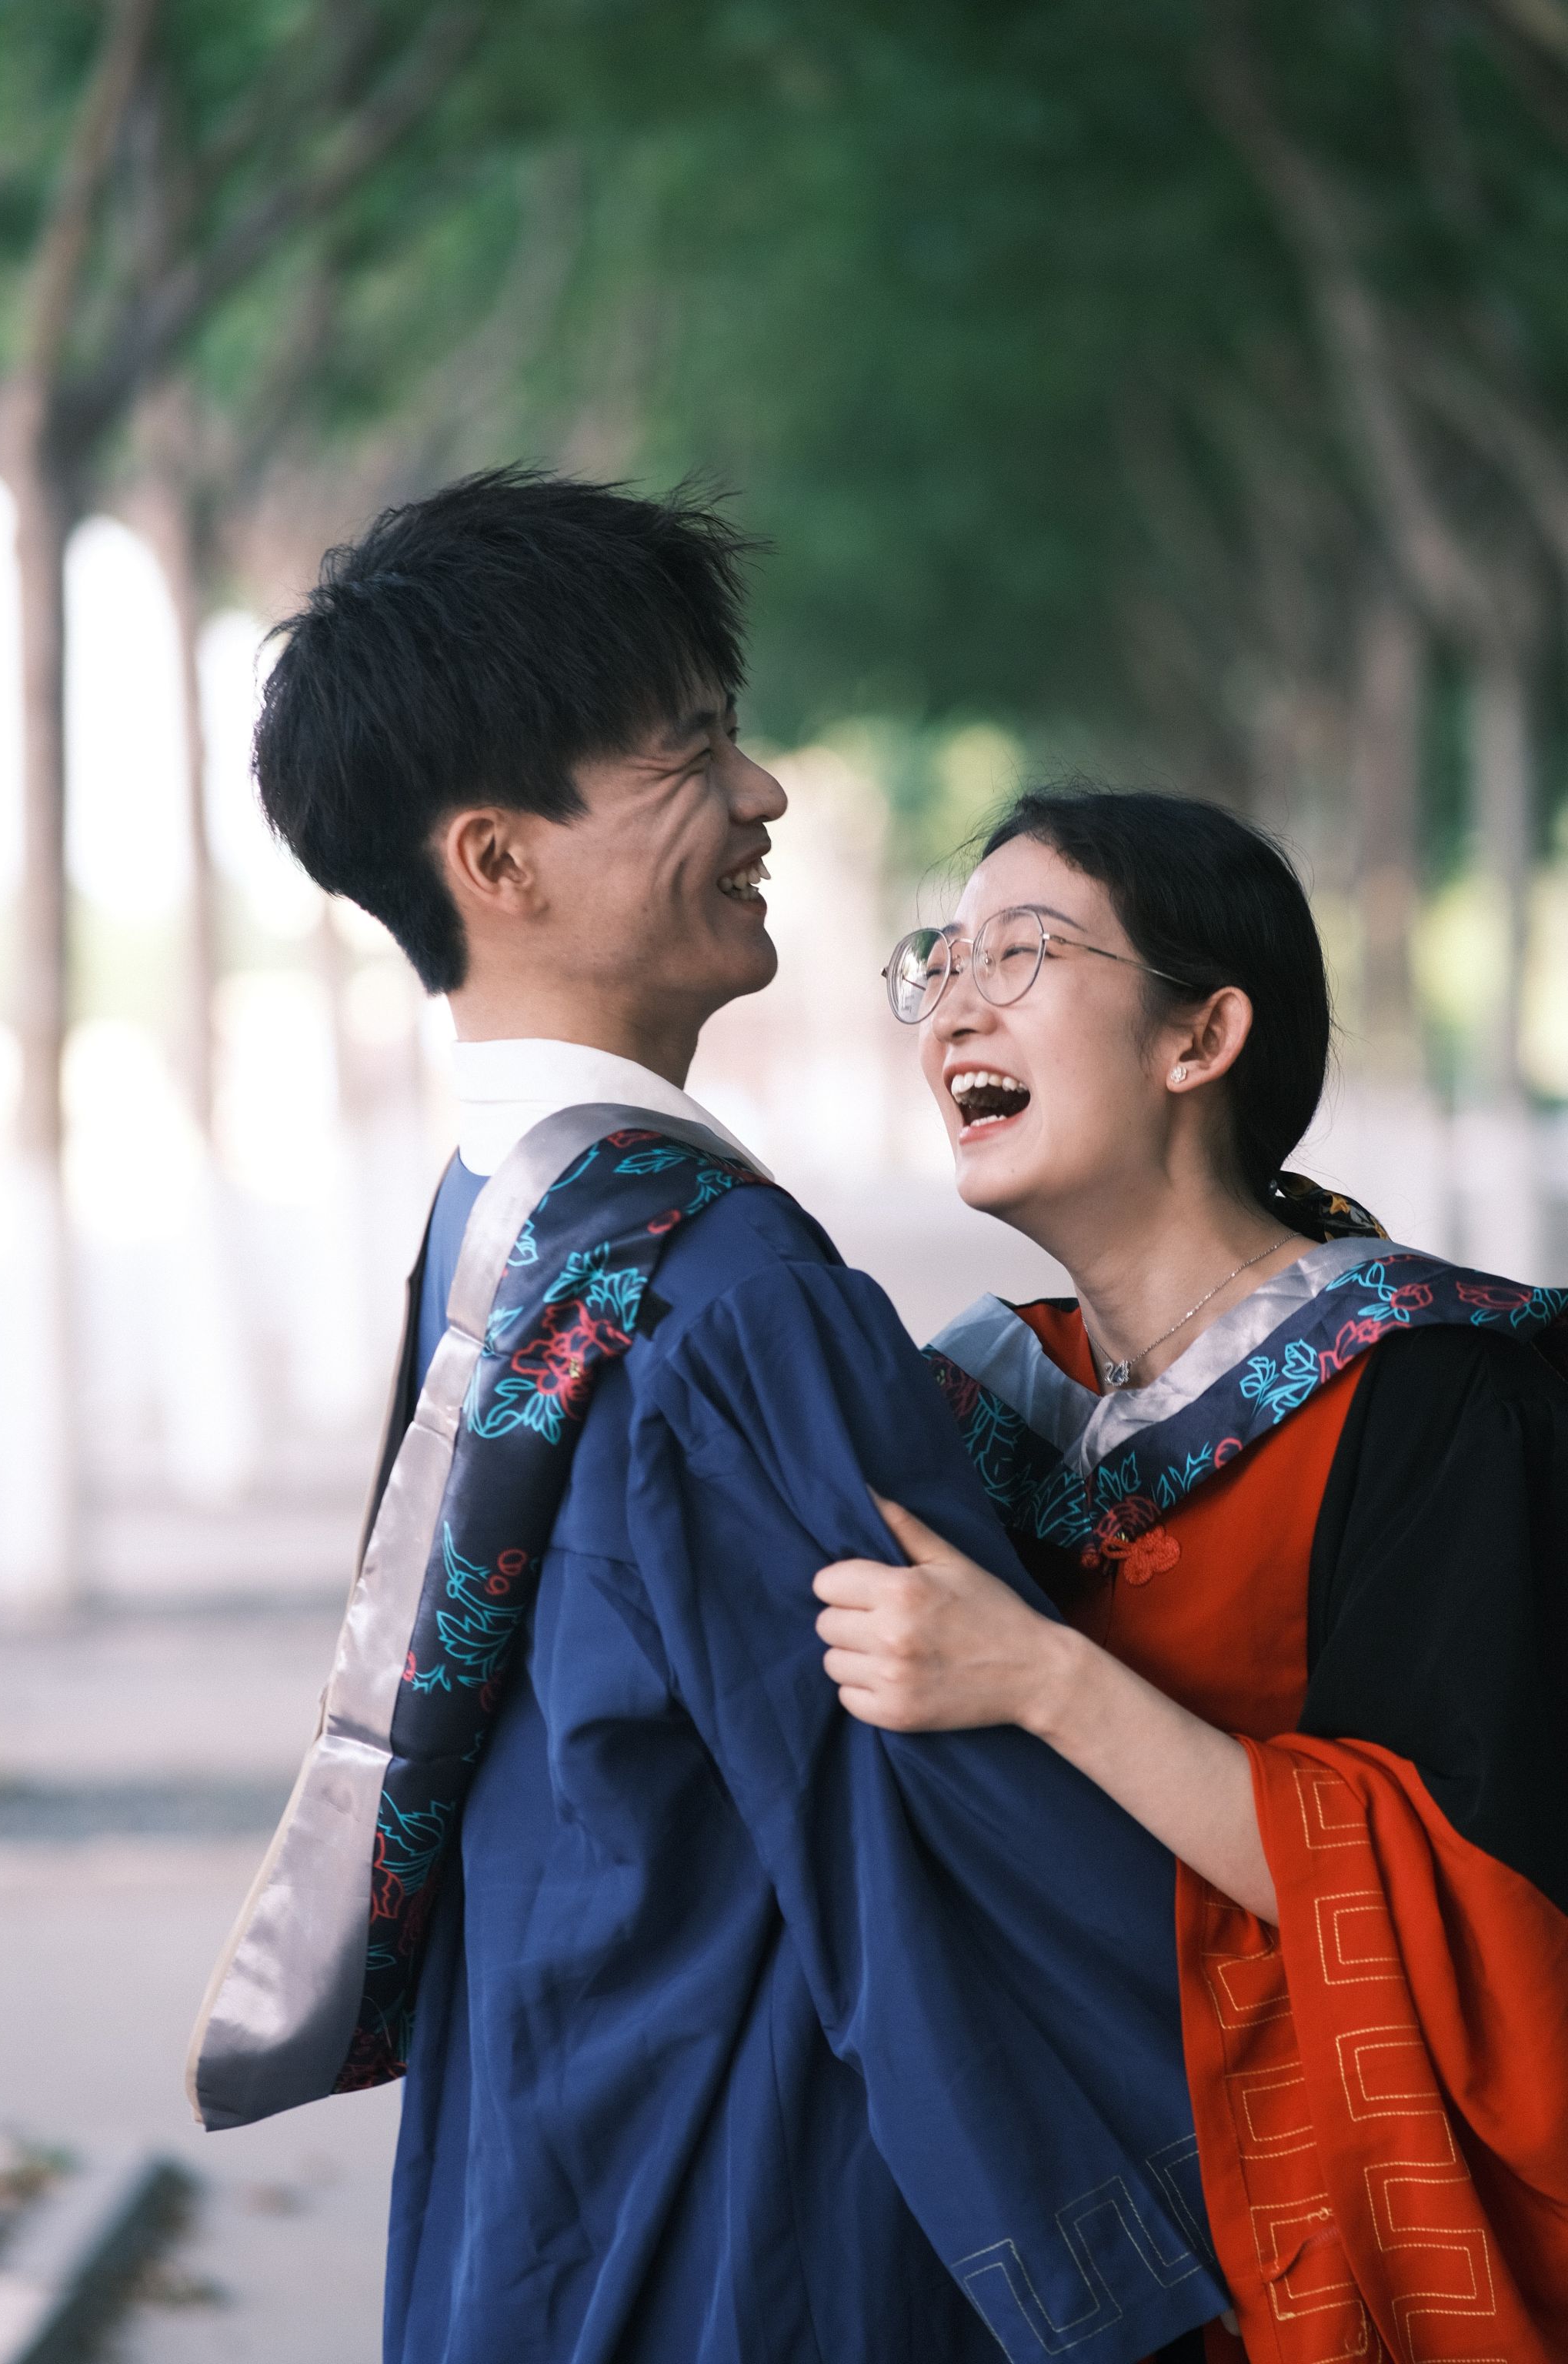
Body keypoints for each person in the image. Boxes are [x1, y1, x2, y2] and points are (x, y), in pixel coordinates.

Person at [185, 475, 1231, 2364]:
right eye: (689, 754)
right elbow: (940, 1831)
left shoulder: (497, 1225)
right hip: (741, 2213)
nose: (760, 795)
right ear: (498, 862)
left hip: (543, 2161)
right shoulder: (728, 1298)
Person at [812, 786, 1568, 2364]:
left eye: (1021, 953)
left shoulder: (1435, 1392)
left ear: (1201, 1037)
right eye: (941, 962)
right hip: (1069, 2237)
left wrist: (1040, 1678)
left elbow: (1471, 1903)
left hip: (1323, 2252)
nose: (955, 1008)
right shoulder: (970, 1411)